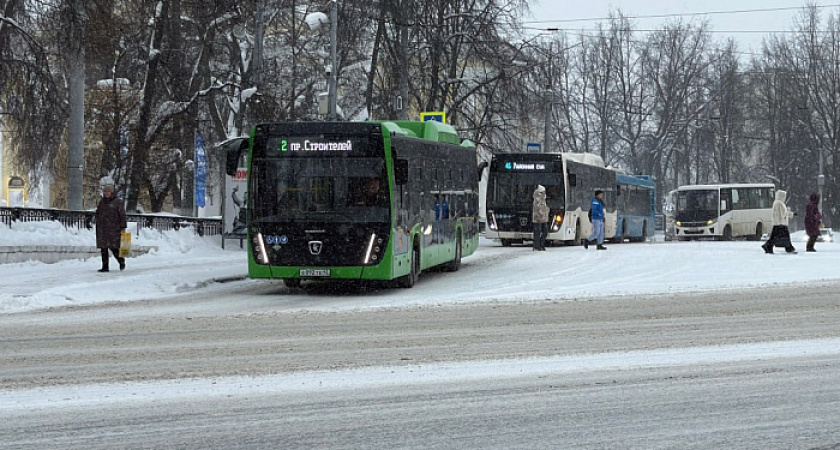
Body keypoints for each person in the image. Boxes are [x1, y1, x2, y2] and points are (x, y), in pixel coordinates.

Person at [95, 184, 127, 272]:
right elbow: (98, 212)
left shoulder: (118, 202)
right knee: (103, 248)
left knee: (114, 247)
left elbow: (122, 215)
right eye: (105, 191)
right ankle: (105, 267)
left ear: (112, 192)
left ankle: (121, 260)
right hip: (103, 229)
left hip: (114, 228)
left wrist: (123, 227)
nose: (106, 193)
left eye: (108, 191)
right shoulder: (102, 202)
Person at [762, 189, 796, 254]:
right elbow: (781, 214)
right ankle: (788, 248)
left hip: (779, 223)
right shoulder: (779, 203)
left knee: (775, 237)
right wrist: (779, 222)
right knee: (784, 236)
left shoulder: (778, 203)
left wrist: (791, 214)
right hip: (780, 223)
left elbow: (782, 213)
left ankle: (768, 246)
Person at [532, 185, 550, 251]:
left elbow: (544, 207)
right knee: (538, 232)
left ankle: (540, 244)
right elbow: (537, 208)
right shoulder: (537, 199)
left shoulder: (543, 199)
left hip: (543, 218)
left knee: (545, 231)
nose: (545, 193)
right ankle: (537, 246)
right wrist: (541, 214)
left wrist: (547, 210)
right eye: (544, 191)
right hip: (538, 219)